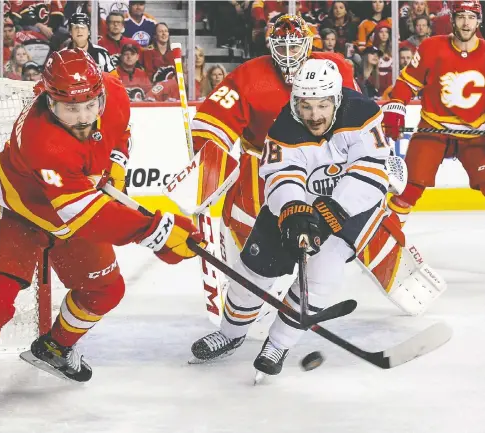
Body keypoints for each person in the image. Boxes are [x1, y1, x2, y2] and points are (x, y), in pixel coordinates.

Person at [0, 49, 203, 412]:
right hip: (20, 212)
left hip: (74, 207)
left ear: (100, 94)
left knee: (106, 290)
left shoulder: (113, 91)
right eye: (69, 109)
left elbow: (121, 131)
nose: (82, 117)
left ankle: (55, 347)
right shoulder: (41, 138)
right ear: (49, 101)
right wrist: (156, 232)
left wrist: (117, 165)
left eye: (89, 106)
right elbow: (85, 215)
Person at [191, 58, 389, 376]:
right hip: (299, 199)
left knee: (322, 274)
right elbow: (280, 173)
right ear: (296, 101)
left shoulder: (363, 113)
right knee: (252, 270)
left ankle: (279, 343)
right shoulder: (284, 124)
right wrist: (293, 210)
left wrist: (331, 214)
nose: (314, 115)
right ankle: (229, 335)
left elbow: (372, 169)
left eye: (322, 105)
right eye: (306, 106)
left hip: (350, 203)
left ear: (337, 99)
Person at [190, 15, 359, 264]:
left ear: (308, 45)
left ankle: (316, 285)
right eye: (281, 47)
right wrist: (209, 163)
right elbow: (210, 123)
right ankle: (244, 283)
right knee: (248, 234)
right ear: (271, 46)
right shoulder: (248, 75)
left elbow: (357, 118)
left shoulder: (334, 68)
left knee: (334, 232)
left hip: (319, 168)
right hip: (261, 167)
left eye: (294, 47)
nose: (288, 55)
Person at [364, 0, 485, 289]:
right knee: (410, 188)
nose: (466, 23)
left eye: (472, 18)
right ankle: (381, 246)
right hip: (434, 128)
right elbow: (407, 83)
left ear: (478, 21)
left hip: (475, 135)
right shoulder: (431, 47)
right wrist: (395, 106)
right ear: (452, 20)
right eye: (461, 17)